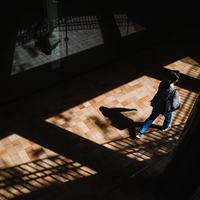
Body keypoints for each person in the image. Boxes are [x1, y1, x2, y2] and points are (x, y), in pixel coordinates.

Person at [136, 70, 181, 139]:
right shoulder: (174, 92)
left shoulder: (162, 84)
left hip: (157, 105)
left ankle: (140, 132)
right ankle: (165, 127)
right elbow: (174, 105)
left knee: (151, 118)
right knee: (168, 117)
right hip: (165, 109)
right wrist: (179, 100)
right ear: (176, 81)